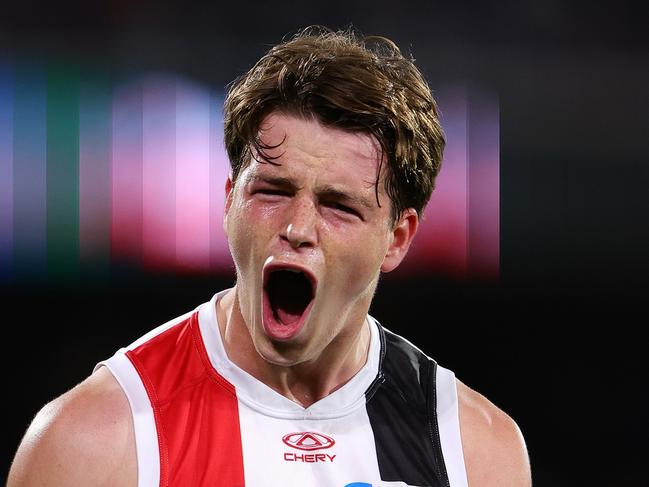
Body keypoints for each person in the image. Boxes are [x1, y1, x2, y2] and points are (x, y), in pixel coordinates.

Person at [7, 26, 531, 487]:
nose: (298, 228)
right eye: (273, 192)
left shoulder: (475, 453)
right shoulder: (93, 443)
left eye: (338, 206)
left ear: (397, 238)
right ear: (229, 200)